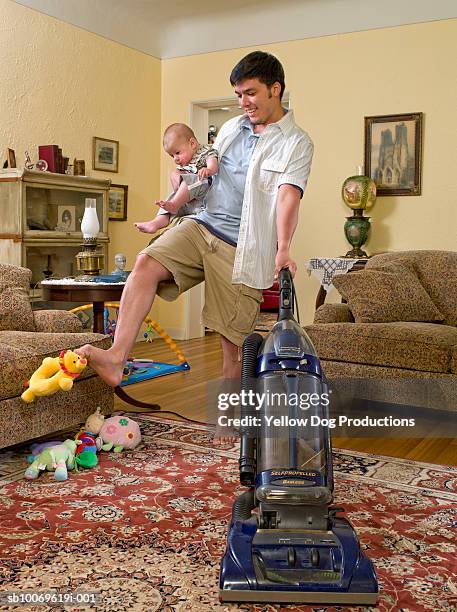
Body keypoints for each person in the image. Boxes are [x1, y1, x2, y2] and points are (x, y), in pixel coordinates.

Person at [76, 51, 314, 443]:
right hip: (200, 224)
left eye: (251, 93)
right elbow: (201, 174)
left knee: (230, 344)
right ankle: (117, 359)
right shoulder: (232, 128)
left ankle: (228, 415)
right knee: (145, 264)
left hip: (242, 246)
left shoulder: (296, 143)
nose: (244, 103)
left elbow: (288, 195)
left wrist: (283, 247)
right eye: (238, 94)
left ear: (276, 89)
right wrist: (175, 194)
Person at [134, 123, 219, 239]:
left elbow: (213, 164)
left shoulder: (205, 152)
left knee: (191, 181)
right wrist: (177, 183)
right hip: (189, 202)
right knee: (170, 200)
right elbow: (178, 184)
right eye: (172, 155)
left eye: (178, 153)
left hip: (204, 195)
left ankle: (174, 205)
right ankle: (156, 222)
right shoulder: (185, 164)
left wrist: (208, 169)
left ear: (192, 144)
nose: (175, 159)